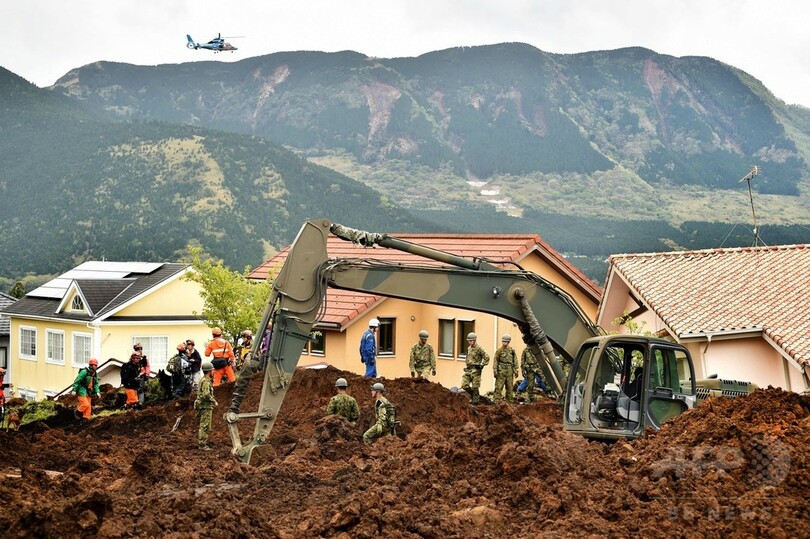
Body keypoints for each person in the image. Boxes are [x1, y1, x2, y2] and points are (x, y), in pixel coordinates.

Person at [228, 320, 272, 415]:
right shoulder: (241, 347)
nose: (243, 339)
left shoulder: (257, 344)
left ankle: (235, 405)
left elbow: (265, 351)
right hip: (249, 364)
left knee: (243, 380)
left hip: (255, 363)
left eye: (244, 337)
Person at [460, 332, 490, 405]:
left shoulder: (479, 348)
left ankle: (475, 402)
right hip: (469, 369)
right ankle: (473, 395)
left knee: (475, 387)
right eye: (468, 341)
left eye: (471, 340)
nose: (469, 342)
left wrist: (482, 365)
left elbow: (486, 357)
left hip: (476, 370)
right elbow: (467, 358)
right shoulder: (469, 348)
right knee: (464, 385)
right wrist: (467, 366)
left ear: (474, 340)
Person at [194, 362, 218, 450]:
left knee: (206, 425)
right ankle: (202, 444)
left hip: (204, 406)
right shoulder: (205, 381)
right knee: (205, 425)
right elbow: (206, 394)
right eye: (212, 370)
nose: (213, 372)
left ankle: (203, 443)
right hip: (205, 406)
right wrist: (214, 401)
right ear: (209, 371)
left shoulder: (204, 380)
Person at [492, 334, 517, 403]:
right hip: (501, 370)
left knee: (509, 387)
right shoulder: (499, 351)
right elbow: (495, 360)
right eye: (503, 341)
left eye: (505, 342)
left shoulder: (512, 351)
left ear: (508, 342)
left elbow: (515, 360)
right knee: (498, 387)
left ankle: (509, 401)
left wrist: (516, 369)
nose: (504, 343)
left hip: (509, 370)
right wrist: (495, 369)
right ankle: (496, 401)